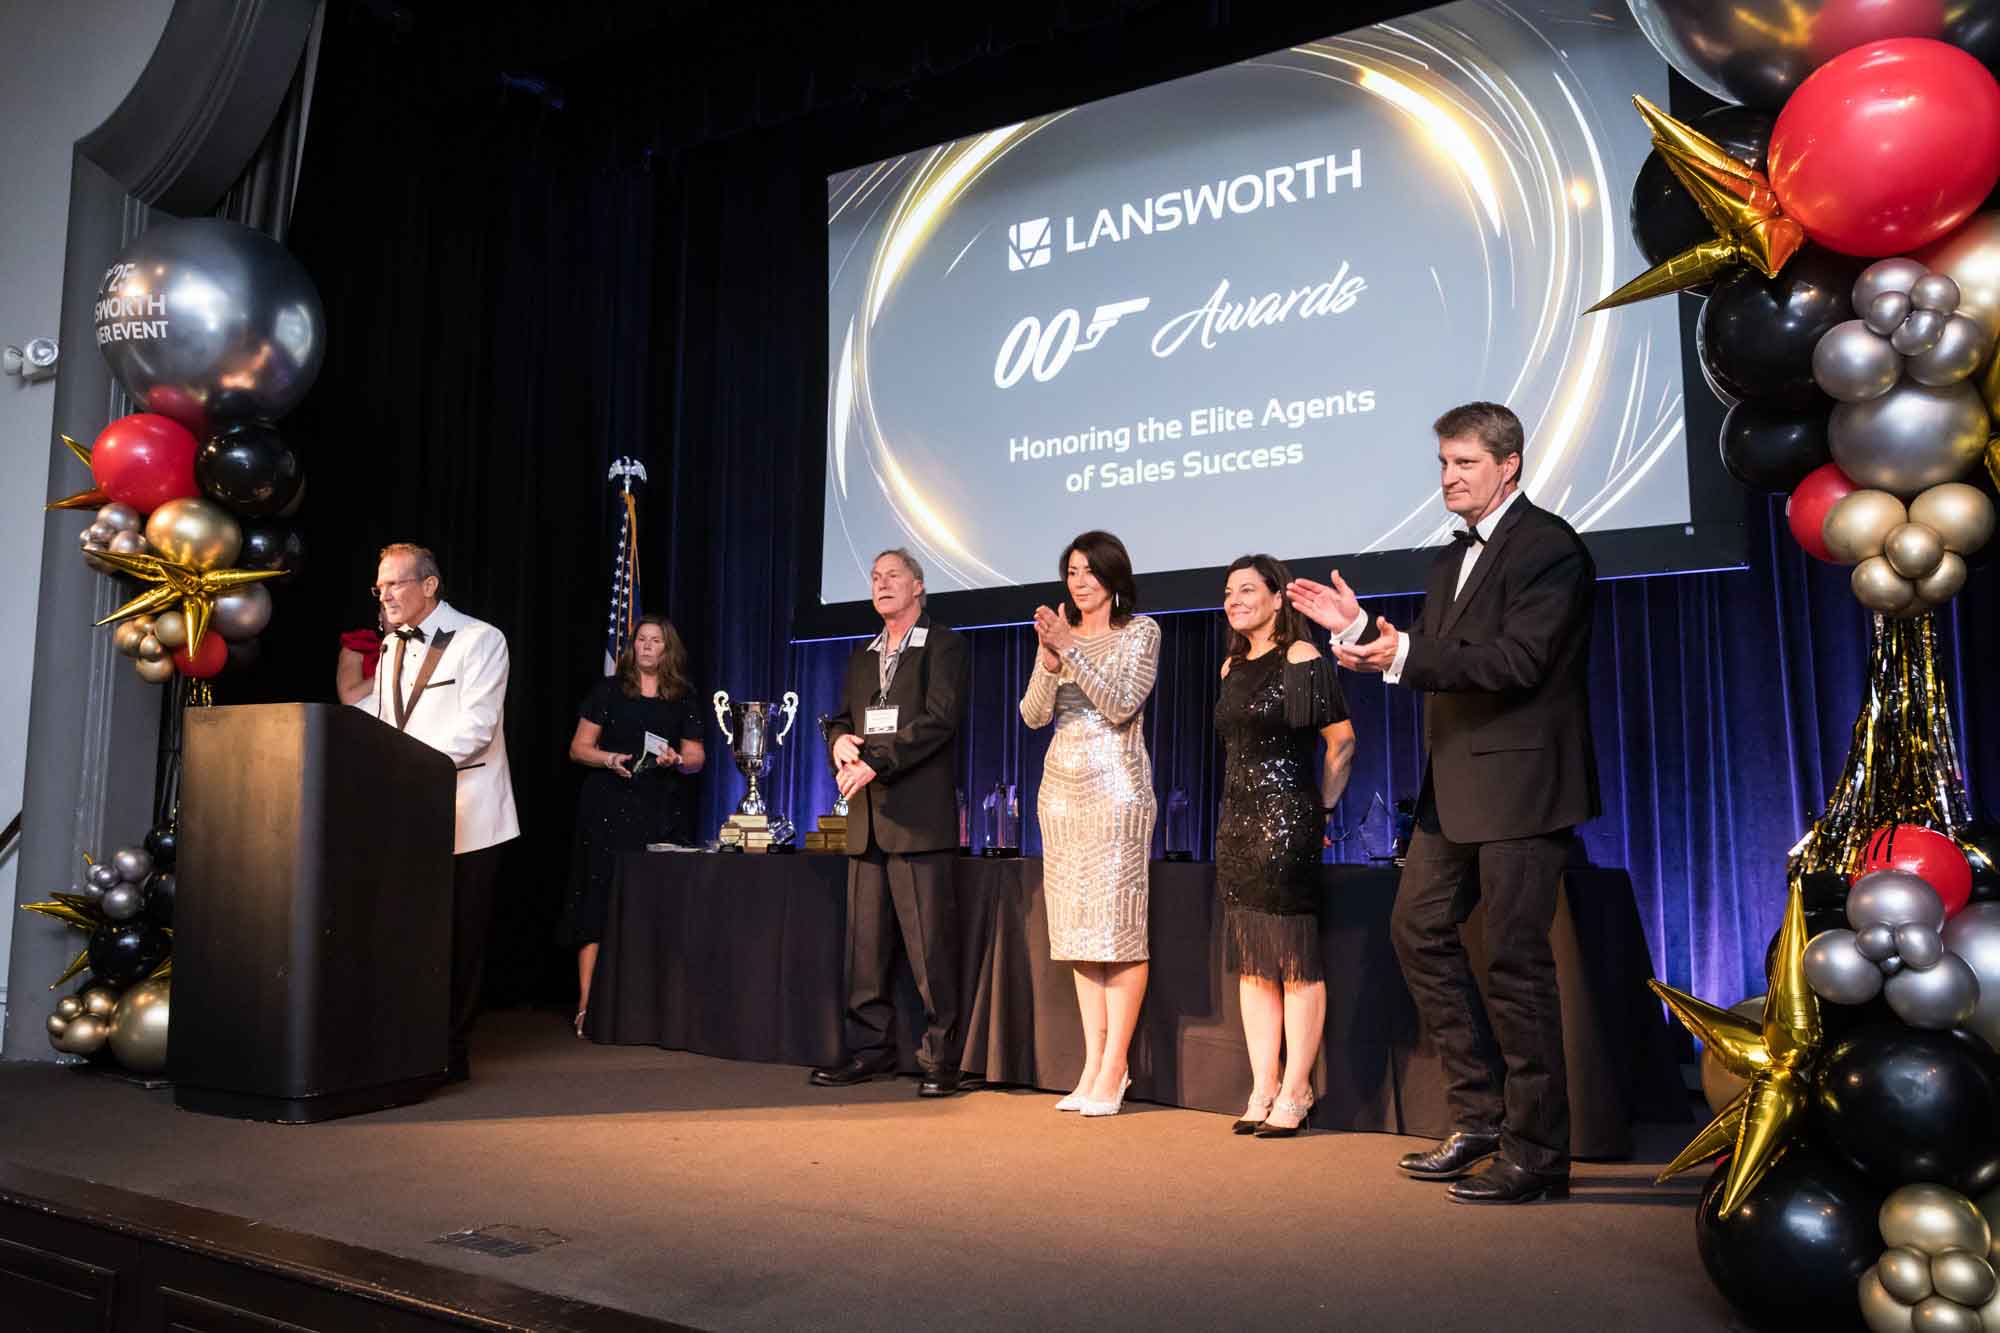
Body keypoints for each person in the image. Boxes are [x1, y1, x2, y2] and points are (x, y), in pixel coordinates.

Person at [1288, 401, 1598, 1203]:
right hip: (1455, 784)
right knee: (1417, 928)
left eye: (1465, 463)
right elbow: (1433, 656)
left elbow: (1517, 661)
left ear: (1508, 465)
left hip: (1524, 785)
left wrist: (1402, 650)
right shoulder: (1446, 560)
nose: (1449, 477)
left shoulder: (1549, 547)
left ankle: (1538, 1152)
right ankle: (1481, 1116)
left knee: (1516, 962)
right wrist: (1365, 631)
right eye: (1443, 463)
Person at [348, 542, 520, 1083]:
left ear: (429, 585)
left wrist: (411, 769)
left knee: (459, 939)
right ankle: (407, 1044)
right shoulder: (391, 644)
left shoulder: (480, 639)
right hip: (407, 814)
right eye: (379, 586)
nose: (385, 595)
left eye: (394, 583)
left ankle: (451, 1051)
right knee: (409, 934)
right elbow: (385, 717)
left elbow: (478, 727)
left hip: (469, 815)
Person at [811, 548, 971, 1097]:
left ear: (918, 586)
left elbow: (939, 721)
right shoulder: (863, 655)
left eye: (893, 576)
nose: (881, 584)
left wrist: (875, 762)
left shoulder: (943, 645)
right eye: (875, 577)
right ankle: (869, 1051)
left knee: (930, 952)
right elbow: (841, 718)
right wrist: (838, 742)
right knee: (865, 950)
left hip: (918, 821)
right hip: (866, 822)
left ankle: (942, 1059)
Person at [1213, 554, 1355, 1138]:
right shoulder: (1230, 666)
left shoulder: (1301, 658)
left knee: (1294, 960)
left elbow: (1341, 742)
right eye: (1229, 591)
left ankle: (1297, 1088)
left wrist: (1323, 809)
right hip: (1237, 826)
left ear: (1277, 599)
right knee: (1254, 962)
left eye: (1248, 589)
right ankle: (1263, 1086)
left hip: (1287, 821)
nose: (1234, 599)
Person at [1019, 531, 1160, 1118]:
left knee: (1118, 931)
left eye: (1089, 572)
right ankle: (1092, 1063)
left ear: (1113, 577)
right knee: (1079, 932)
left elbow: (1122, 704)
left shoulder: (1141, 632)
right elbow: (1033, 716)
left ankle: (1115, 1065)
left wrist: (1072, 651)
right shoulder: (1058, 637)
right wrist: (1049, 661)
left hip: (1117, 791)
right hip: (1061, 791)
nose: (1079, 582)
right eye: (1072, 572)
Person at [559, 615, 706, 1037]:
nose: (646, 646)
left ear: (667, 649)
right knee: (597, 903)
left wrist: (677, 760)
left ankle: (653, 1010)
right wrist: (609, 759)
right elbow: (578, 748)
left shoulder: (683, 697)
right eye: (641, 639)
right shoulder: (608, 691)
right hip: (607, 807)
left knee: (655, 906)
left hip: (660, 810)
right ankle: (587, 1006)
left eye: (655, 640)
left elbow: (696, 758)